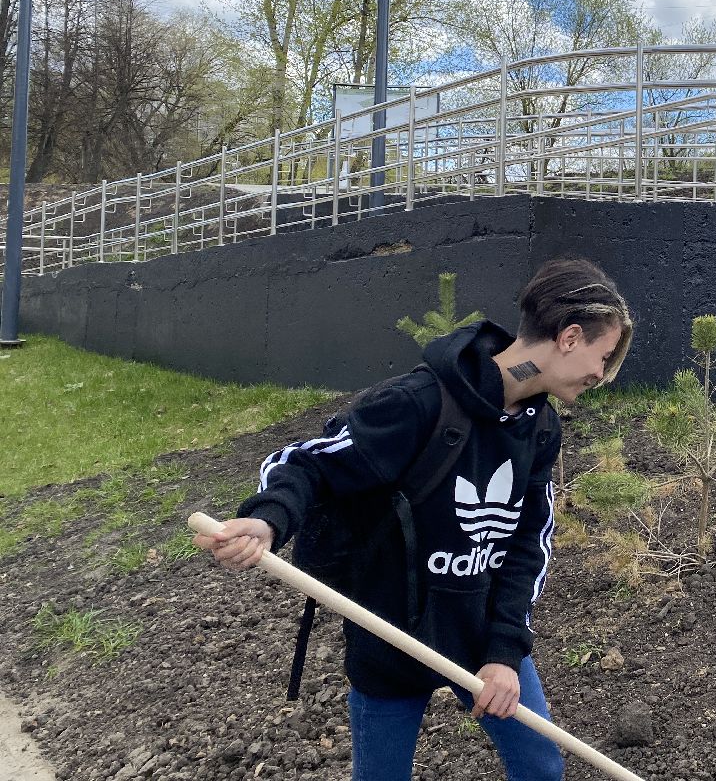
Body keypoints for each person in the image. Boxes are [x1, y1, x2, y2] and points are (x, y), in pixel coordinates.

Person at [195, 256, 633, 781]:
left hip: (477, 633)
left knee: (540, 767)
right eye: (601, 356)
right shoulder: (418, 404)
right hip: (389, 634)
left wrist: (504, 650)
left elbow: (527, 545)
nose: (600, 375)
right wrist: (267, 520)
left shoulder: (540, 429)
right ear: (569, 337)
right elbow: (309, 465)